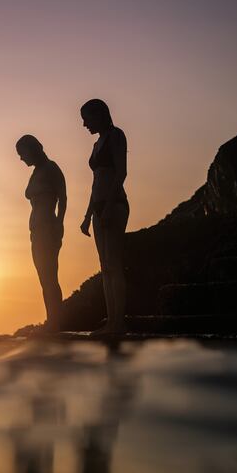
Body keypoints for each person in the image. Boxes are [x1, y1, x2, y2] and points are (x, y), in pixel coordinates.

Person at [79, 99, 129, 335]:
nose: (84, 124)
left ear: (99, 115)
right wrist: (88, 215)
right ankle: (111, 320)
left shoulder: (116, 136)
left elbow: (121, 172)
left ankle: (118, 322)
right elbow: (95, 182)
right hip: (98, 207)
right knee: (105, 266)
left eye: (87, 118)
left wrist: (108, 206)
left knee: (114, 265)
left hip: (115, 204)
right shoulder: (96, 144)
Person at [16, 135, 67, 333]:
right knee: (44, 278)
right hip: (36, 230)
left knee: (50, 277)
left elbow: (63, 197)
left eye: (22, 154)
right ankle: (51, 320)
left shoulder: (51, 168)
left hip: (47, 228)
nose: (21, 159)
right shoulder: (36, 172)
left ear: (33, 149)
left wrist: (59, 224)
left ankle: (55, 323)